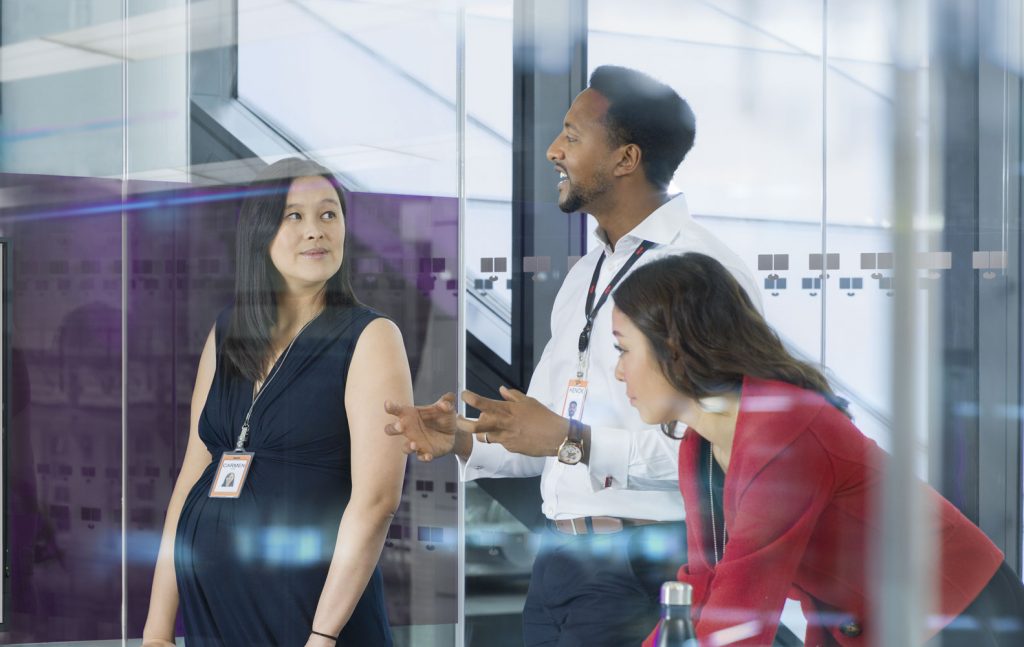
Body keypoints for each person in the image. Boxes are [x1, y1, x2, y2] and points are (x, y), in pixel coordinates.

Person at [386, 66, 762, 645]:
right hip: (558, 561)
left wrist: (571, 437)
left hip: (650, 564)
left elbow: (723, 443)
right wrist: (461, 438)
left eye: (572, 134)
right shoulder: (585, 274)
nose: (553, 150)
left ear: (625, 158)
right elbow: (544, 436)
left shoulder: (704, 272)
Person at [609, 252, 1024, 646]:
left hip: (955, 615)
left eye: (623, 349)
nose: (618, 371)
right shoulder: (700, 444)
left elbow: (741, 610)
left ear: (674, 347)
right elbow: (703, 587)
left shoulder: (783, 433)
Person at [142, 158, 411, 646]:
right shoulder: (228, 334)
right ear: (261, 231)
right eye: (295, 216)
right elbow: (191, 475)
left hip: (309, 619)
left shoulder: (370, 337)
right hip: (216, 620)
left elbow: (376, 503)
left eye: (329, 215)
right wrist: (157, 630)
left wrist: (322, 637)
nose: (316, 231)